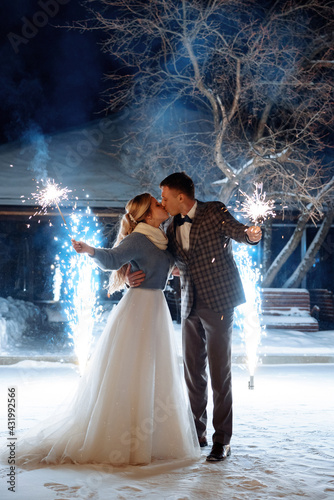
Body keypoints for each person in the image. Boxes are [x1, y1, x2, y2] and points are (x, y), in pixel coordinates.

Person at [7, 193, 200, 468]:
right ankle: (121, 440)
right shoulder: (139, 238)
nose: (162, 204)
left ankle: (154, 439)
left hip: (157, 308)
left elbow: (172, 266)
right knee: (132, 371)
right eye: (157, 204)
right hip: (138, 310)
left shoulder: (163, 239)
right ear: (146, 215)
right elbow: (112, 259)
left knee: (155, 370)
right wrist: (89, 250)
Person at [128, 173, 262, 462]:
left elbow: (239, 231)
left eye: (164, 197)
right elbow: (154, 257)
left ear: (180, 197)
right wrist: (130, 275)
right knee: (193, 374)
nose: (161, 201)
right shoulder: (172, 226)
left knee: (219, 374)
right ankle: (196, 433)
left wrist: (252, 236)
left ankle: (222, 440)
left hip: (219, 303)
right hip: (189, 304)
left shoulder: (214, 210)